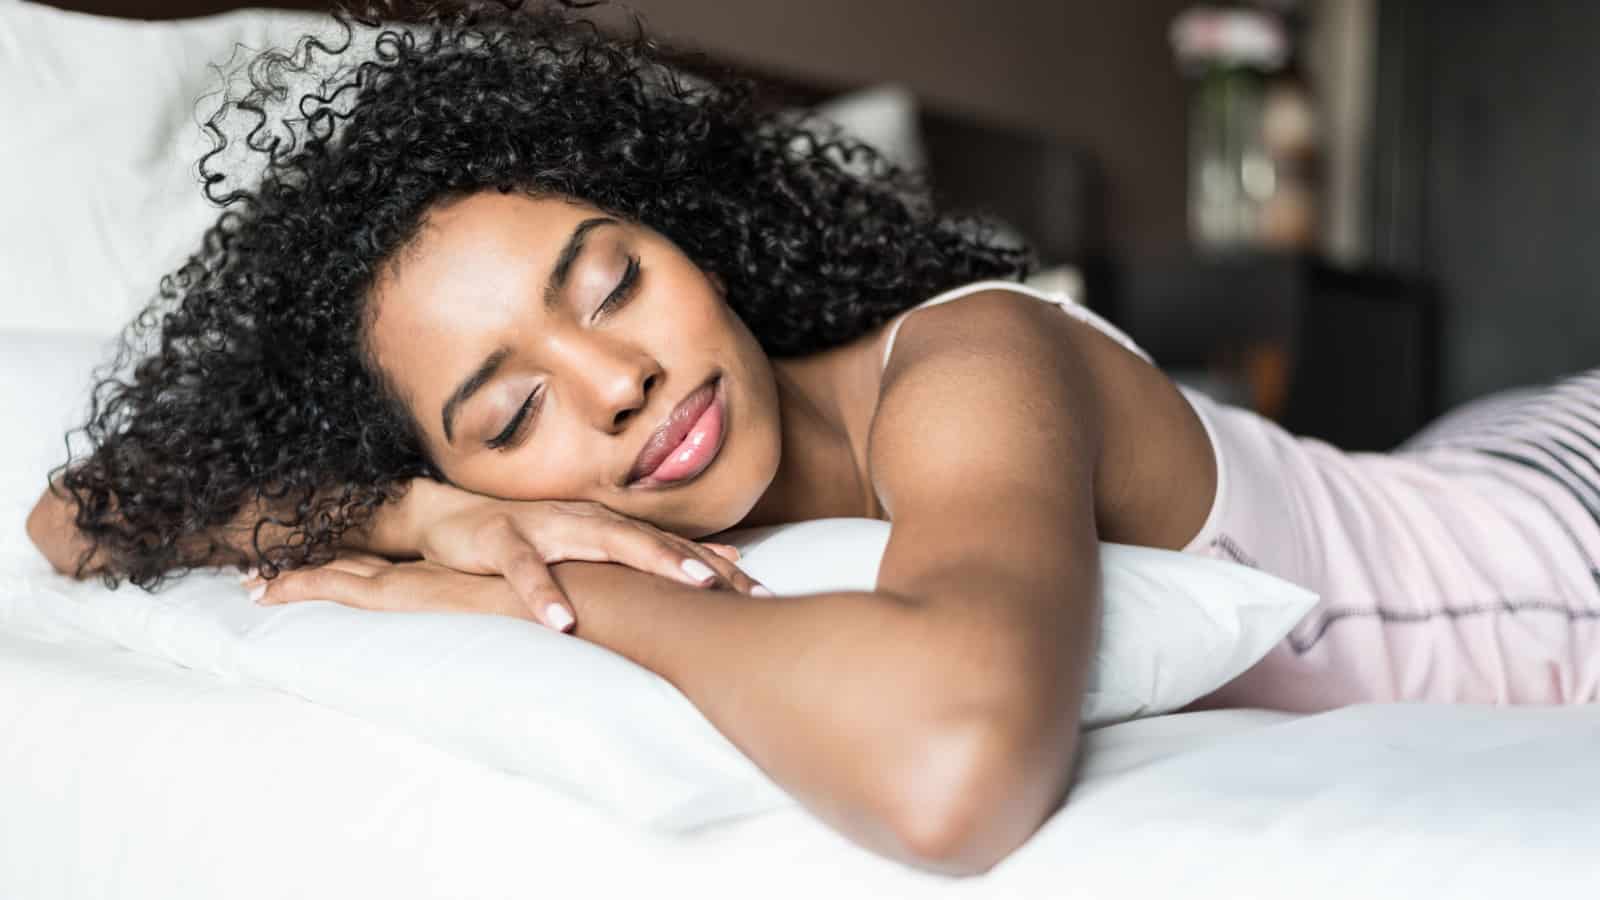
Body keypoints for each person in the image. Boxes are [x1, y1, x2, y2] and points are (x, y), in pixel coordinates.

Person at [21, 0, 1600, 877]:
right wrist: (414, 518)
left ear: (693, 235)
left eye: (616, 281)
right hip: (1456, 471)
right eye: (510, 412)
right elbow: (77, 519)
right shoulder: (473, 498)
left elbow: (945, 766)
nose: (618, 380)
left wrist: (548, 588)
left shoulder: (977, 357)